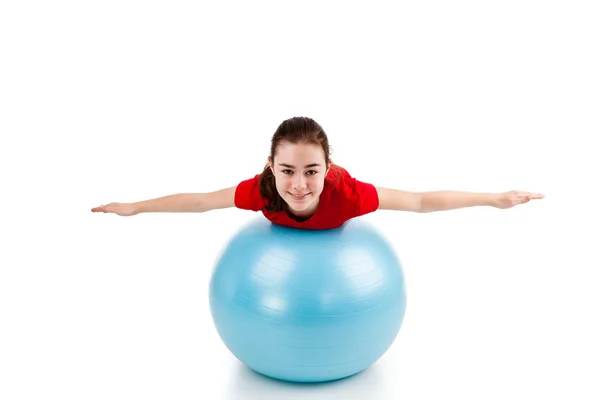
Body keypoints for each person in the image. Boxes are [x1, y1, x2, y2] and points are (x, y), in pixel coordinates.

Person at [91, 116, 544, 229]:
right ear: (271, 166)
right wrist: (136, 207)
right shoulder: (263, 191)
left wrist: (494, 198)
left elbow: (421, 201)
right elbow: (199, 202)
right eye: (288, 170)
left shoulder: (347, 195)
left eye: (312, 171)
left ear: (328, 169)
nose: (300, 185)